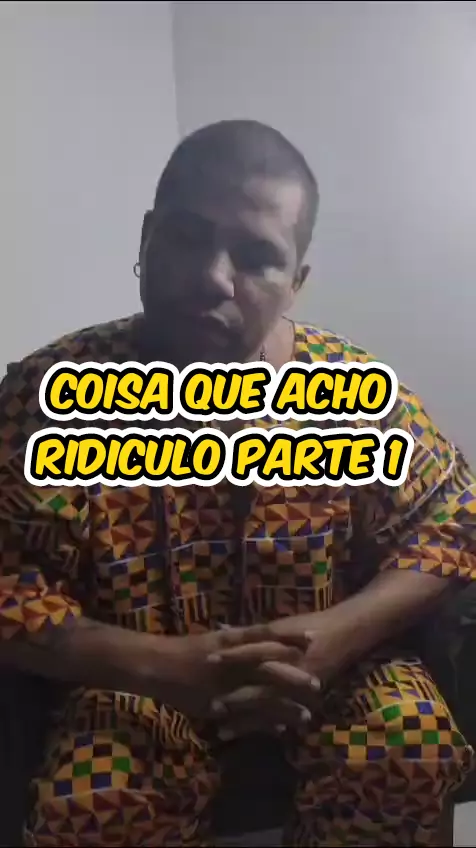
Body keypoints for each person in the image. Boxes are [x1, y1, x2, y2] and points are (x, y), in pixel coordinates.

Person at [0, 119, 474, 848]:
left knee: (407, 743)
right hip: (133, 682)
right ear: (146, 239)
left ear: (296, 284)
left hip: (333, 669)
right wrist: (163, 667)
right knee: (95, 799)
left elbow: (455, 520)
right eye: (188, 238)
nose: (213, 278)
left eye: (257, 257)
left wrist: (336, 634)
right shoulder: (47, 398)